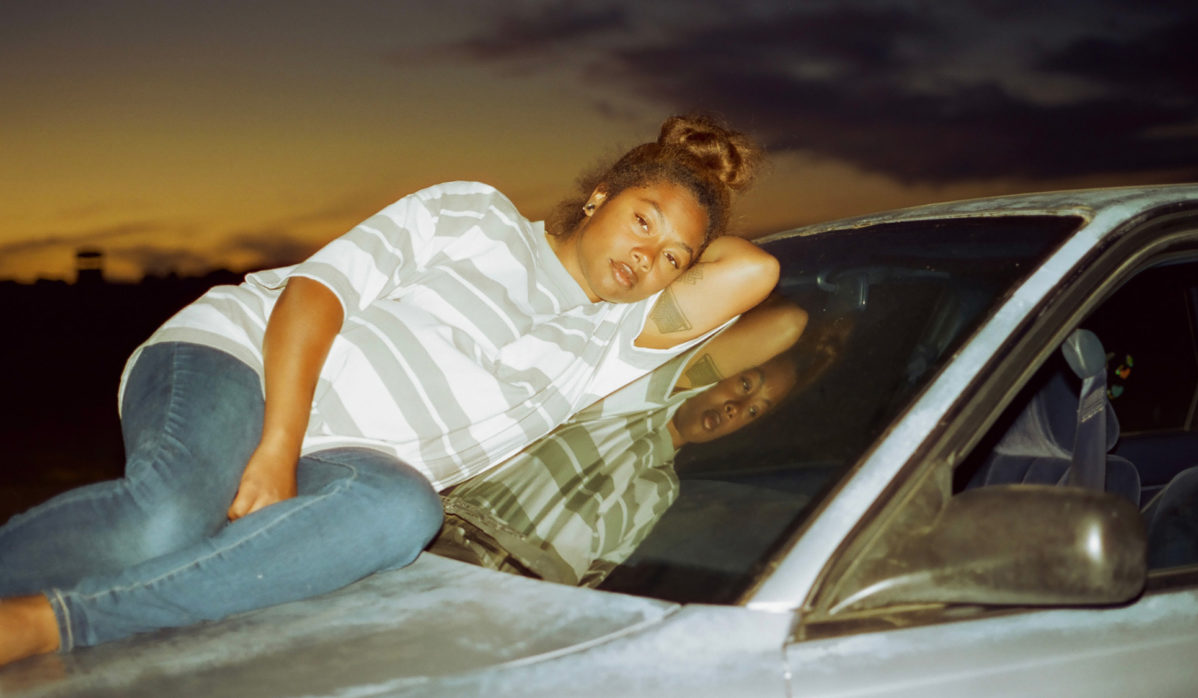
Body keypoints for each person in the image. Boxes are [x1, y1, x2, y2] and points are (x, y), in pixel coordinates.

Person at [0, 114, 776, 665]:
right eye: (644, 221)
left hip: (344, 458)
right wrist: (274, 449)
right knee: (167, 516)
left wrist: (698, 202)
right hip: (246, 362)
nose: (651, 257)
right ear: (600, 194)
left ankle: (51, 625)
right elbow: (315, 297)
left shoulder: (611, 341)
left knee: (407, 507)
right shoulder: (477, 215)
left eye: (675, 258)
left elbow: (754, 273)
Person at [433, 296, 806, 585]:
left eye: (756, 411)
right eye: (745, 384)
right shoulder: (632, 398)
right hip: (447, 563)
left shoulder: (661, 489)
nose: (737, 409)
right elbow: (788, 324)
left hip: (509, 619)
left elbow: (591, 578)